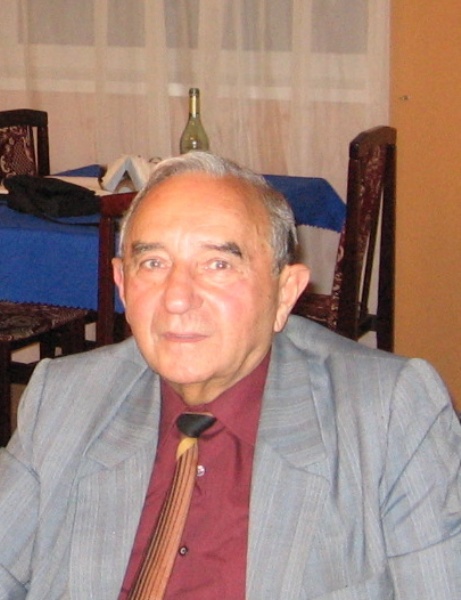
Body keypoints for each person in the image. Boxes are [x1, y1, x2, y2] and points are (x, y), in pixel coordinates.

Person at [0, 152, 460, 600]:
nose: (177, 298)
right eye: (153, 263)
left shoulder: (387, 416)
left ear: (285, 293)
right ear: (121, 283)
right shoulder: (65, 399)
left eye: (218, 264)